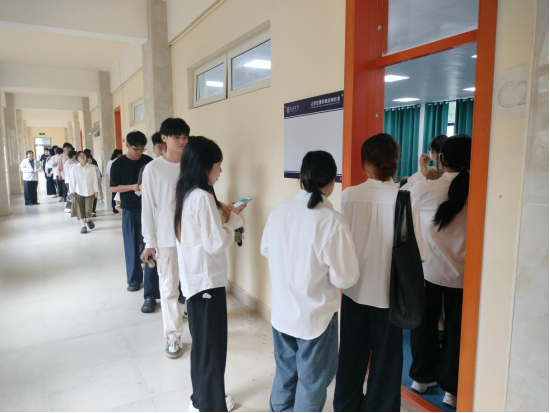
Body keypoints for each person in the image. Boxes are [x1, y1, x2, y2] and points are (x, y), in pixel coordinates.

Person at [334, 134, 427, 413]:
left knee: (351, 356)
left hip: (354, 289)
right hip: (391, 295)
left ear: (365, 163)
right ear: (394, 163)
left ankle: (346, 407)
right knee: (386, 361)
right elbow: (419, 253)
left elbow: (342, 242)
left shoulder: (349, 195)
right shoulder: (405, 198)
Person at [261, 151, 360, 412]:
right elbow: (346, 277)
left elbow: (266, 249)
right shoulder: (332, 221)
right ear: (332, 181)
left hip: (282, 313)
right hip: (315, 318)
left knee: (285, 373)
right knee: (312, 382)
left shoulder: (280, 211)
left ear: (302, 178)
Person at [174, 136, 246, 413]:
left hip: (196, 282)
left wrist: (225, 215)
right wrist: (234, 222)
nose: (221, 170)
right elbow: (216, 243)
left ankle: (202, 399)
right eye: (218, 164)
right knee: (212, 348)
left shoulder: (187, 192)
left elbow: (204, 231)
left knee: (204, 347)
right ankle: (210, 405)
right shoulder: (202, 197)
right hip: (206, 283)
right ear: (205, 164)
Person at [403, 135, 472, 410]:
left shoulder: (428, 188)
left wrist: (421, 173)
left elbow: (402, 195)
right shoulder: (480, 189)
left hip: (429, 272)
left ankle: (422, 378)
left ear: (440, 158)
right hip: (464, 278)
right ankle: (452, 390)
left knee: (424, 326)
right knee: (457, 334)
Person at [141, 119, 191, 360]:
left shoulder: (191, 164)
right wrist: (149, 241)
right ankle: (173, 335)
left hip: (192, 237)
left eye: (185, 137)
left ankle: (198, 327)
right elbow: (148, 207)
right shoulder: (153, 169)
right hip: (165, 237)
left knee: (194, 285)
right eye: (176, 137)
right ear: (164, 138)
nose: (182, 141)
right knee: (169, 288)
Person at [110, 131, 160, 314]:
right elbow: (113, 187)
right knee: (131, 245)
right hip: (130, 209)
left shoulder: (148, 162)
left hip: (150, 209)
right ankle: (133, 280)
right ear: (127, 146)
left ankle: (151, 281)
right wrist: (133, 187)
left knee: (149, 245)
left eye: (142, 149)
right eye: (135, 149)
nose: (139, 152)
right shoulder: (118, 164)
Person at [69, 152, 98, 234]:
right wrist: (71, 193)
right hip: (78, 192)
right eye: (80, 156)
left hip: (90, 191)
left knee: (89, 209)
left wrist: (95, 191)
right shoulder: (74, 168)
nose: (82, 157)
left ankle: (88, 219)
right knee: (80, 209)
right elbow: (72, 182)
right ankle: (83, 225)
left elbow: (94, 180)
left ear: (86, 157)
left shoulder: (91, 167)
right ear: (77, 158)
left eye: (84, 155)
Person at [107, 149, 123, 213]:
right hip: (118, 181)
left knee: (114, 195)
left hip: (112, 180)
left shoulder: (110, 161)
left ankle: (114, 208)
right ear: (119, 155)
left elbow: (107, 172)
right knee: (117, 195)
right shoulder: (117, 161)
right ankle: (118, 208)